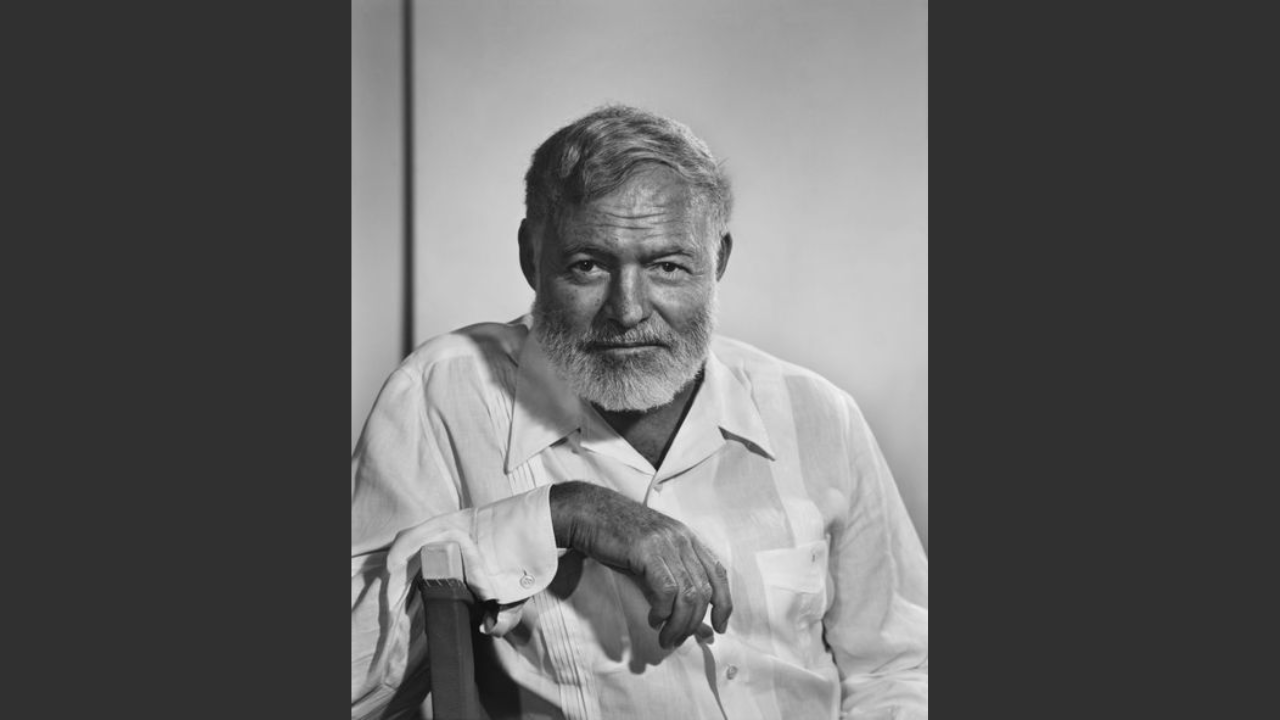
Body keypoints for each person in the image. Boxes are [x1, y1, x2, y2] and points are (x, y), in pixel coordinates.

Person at [351, 105, 927, 720]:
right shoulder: (444, 394)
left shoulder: (818, 413)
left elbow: (899, 668)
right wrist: (557, 514)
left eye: (667, 267)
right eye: (588, 265)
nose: (627, 311)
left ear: (719, 262)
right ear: (530, 256)